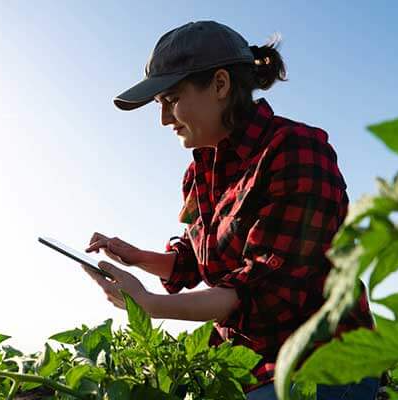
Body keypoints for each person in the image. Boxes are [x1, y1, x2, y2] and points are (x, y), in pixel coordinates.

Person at [82, 20, 379, 399]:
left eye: (171, 100)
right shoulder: (200, 172)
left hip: (322, 363)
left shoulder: (296, 150)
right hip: (253, 367)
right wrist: (137, 257)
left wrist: (151, 305)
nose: (164, 119)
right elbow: (194, 262)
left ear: (221, 85)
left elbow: (267, 289)